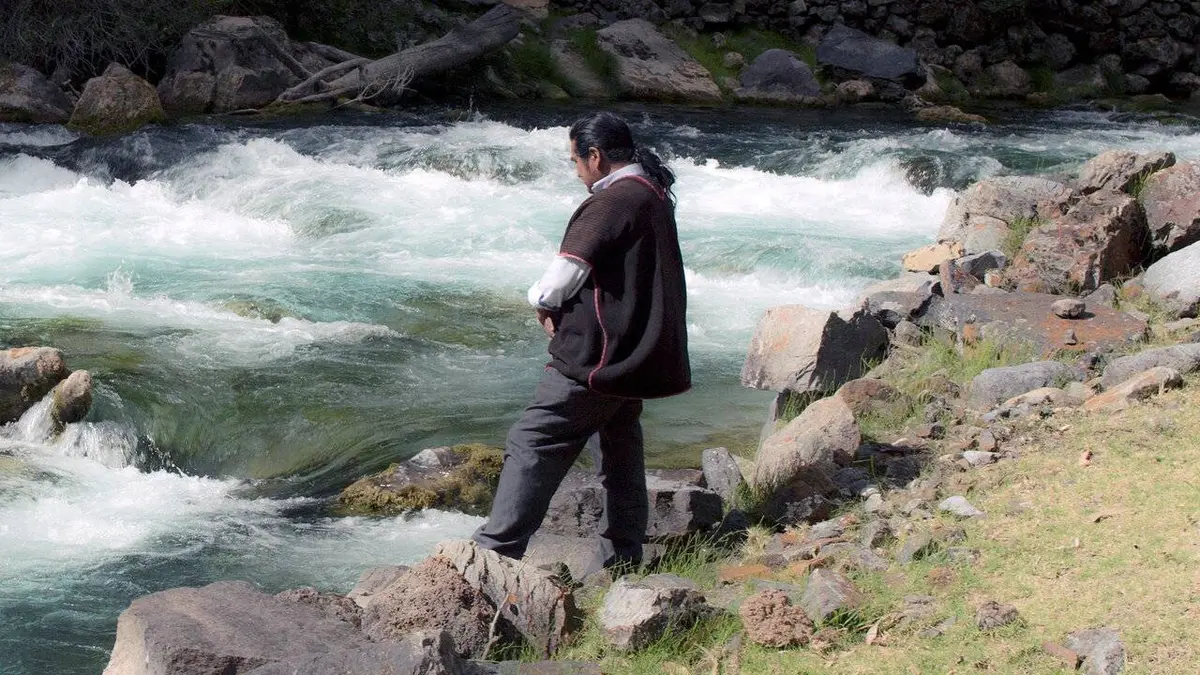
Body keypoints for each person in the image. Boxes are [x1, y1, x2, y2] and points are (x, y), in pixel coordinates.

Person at [471, 111, 691, 568]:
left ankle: (495, 554)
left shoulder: (613, 201)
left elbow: (561, 278)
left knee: (533, 441)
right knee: (619, 448)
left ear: (595, 157)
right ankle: (624, 557)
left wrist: (539, 302)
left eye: (575, 161)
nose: (575, 172)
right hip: (637, 355)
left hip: (596, 359)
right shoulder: (653, 194)